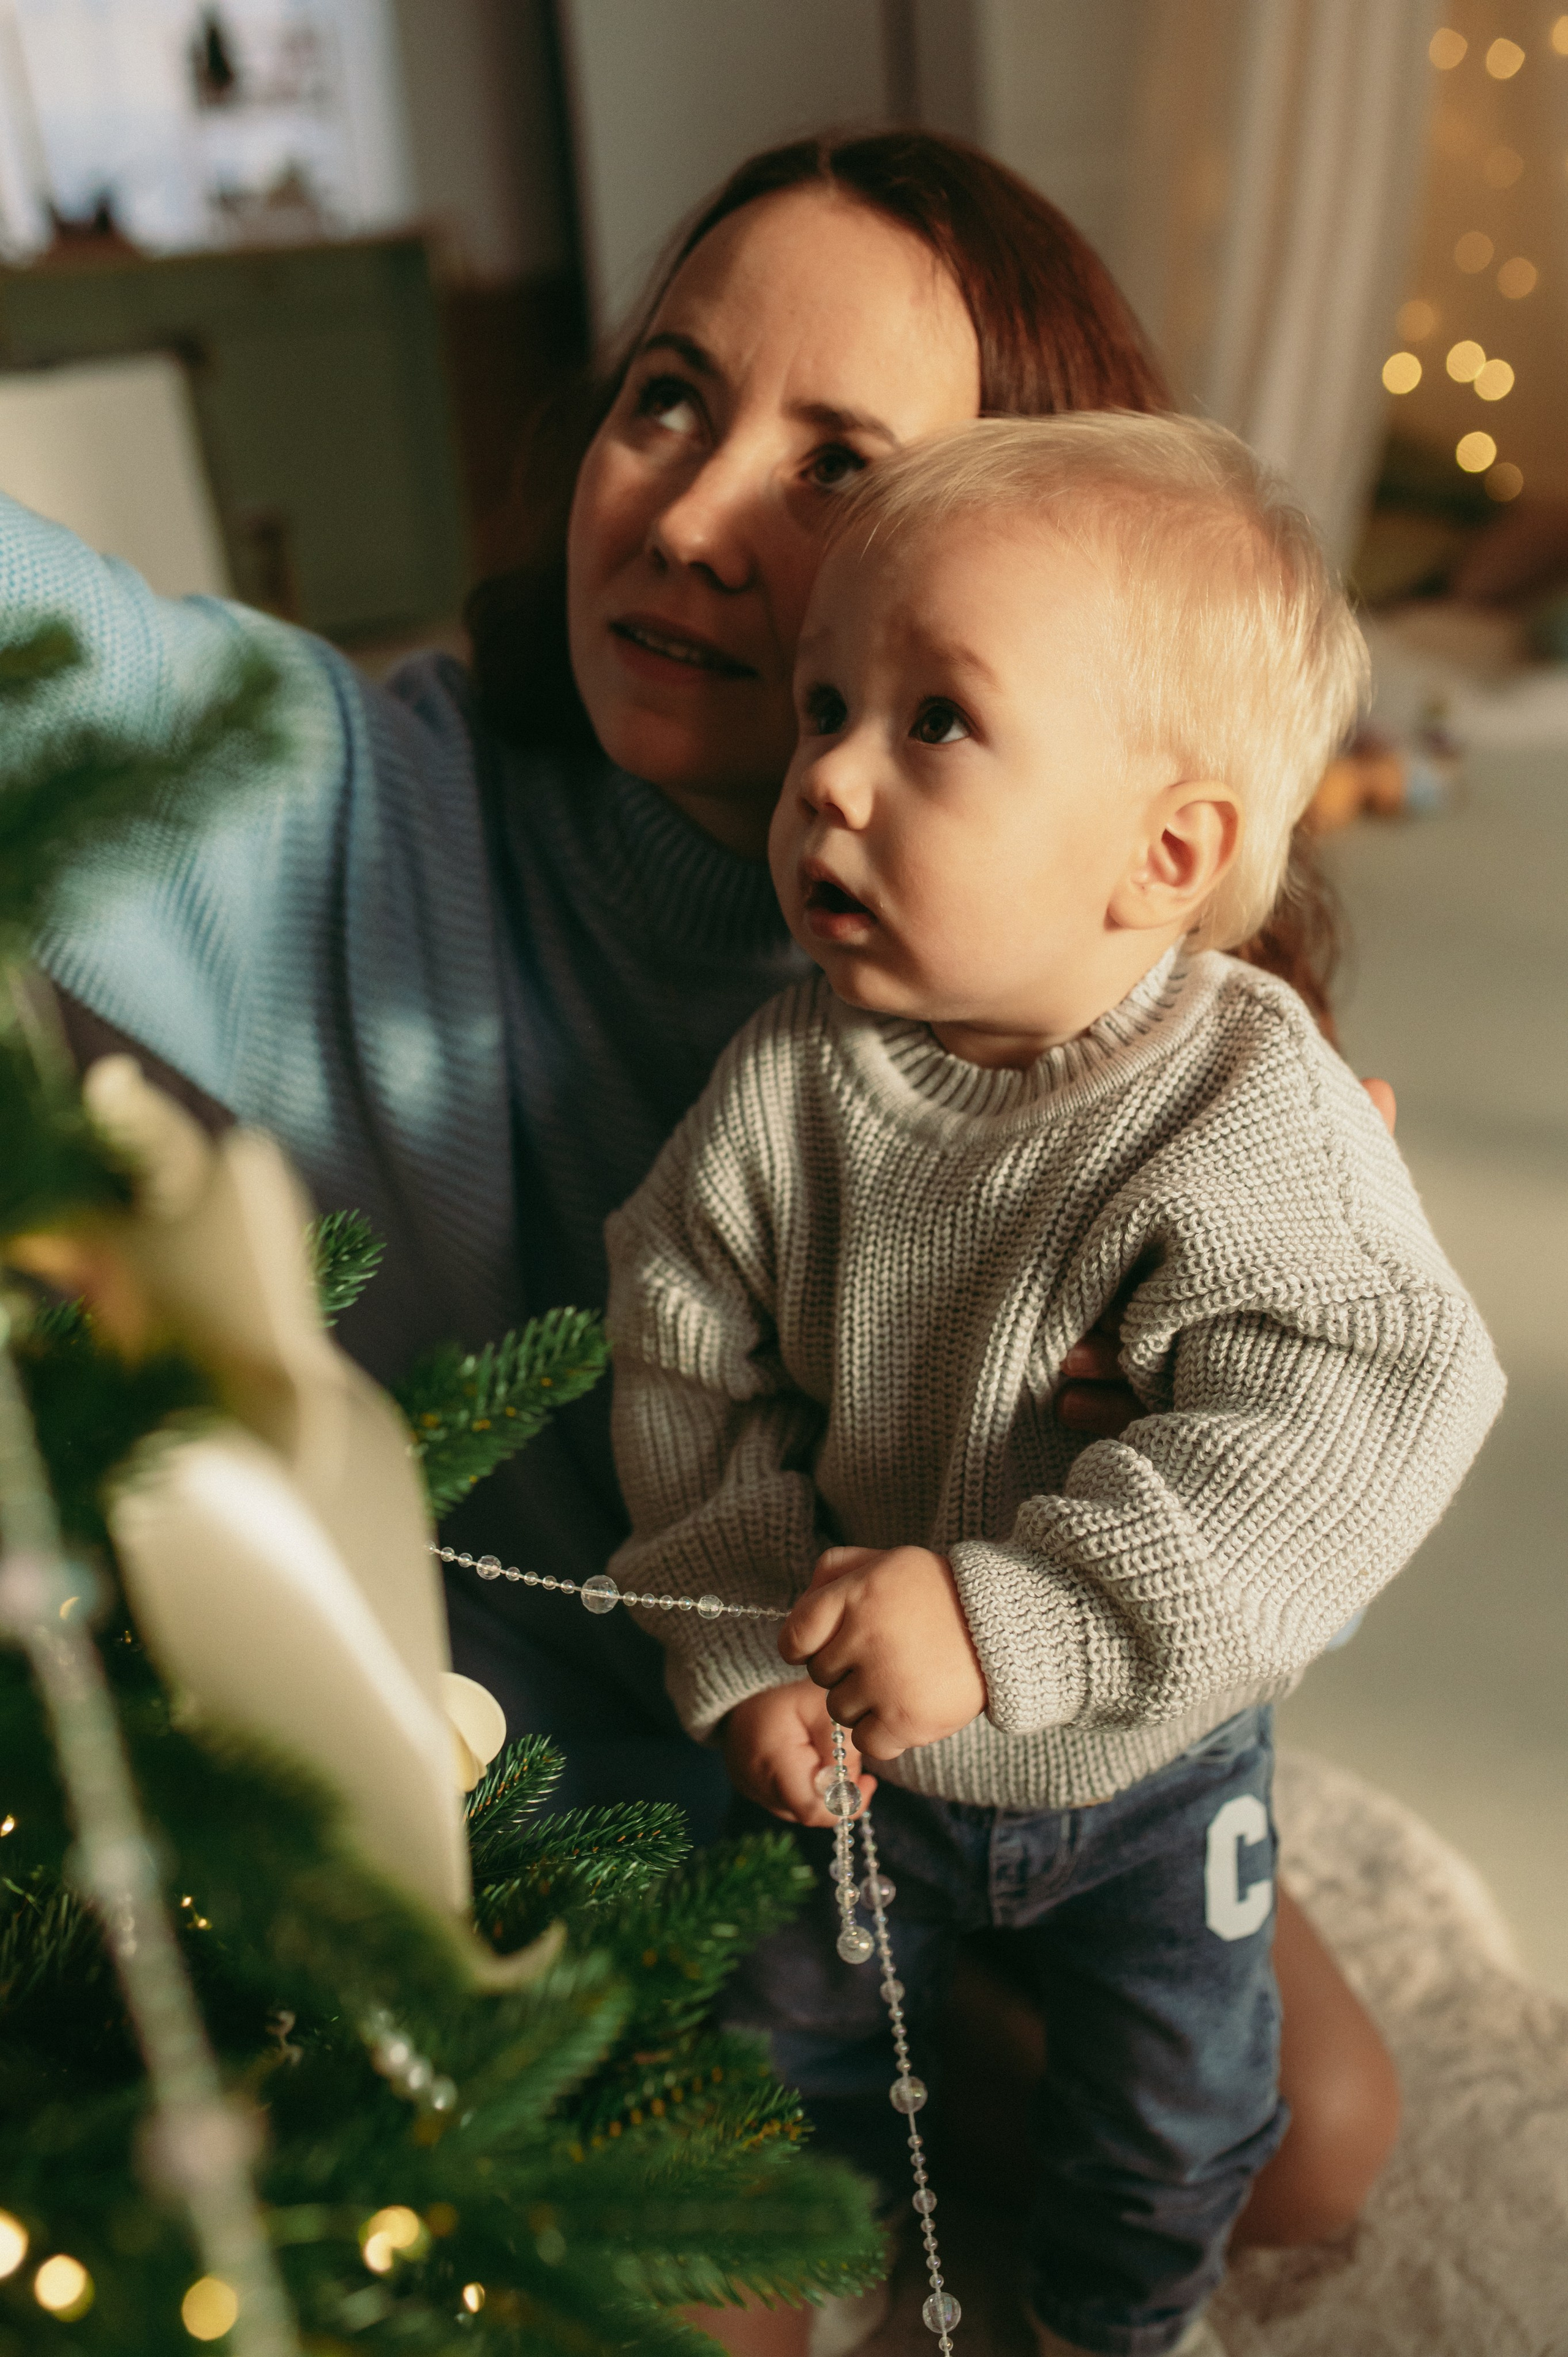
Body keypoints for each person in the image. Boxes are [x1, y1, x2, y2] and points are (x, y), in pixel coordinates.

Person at [10, 129, 1394, 2254]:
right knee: (733, 2282)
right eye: (671, 396)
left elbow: (1317, 1429)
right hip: (596, 1759)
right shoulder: (348, 811)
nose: (689, 510)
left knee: (1316, 2149)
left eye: (839, 463)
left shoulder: (1110, 990)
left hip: (990, 1734)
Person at [602, 413, 1505, 2357]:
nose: (827, 771)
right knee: (783, 2045)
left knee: (1183, 2117)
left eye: (933, 725)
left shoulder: (1241, 1104)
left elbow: (1373, 1403)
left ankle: (1115, 2322)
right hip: (857, 1750)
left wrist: (1014, 1618)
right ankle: (820, 2245)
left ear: (1163, 853)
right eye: (828, 701)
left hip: (1149, 1768)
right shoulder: (782, 1090)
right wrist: (746, 1641)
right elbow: (684, 1351)